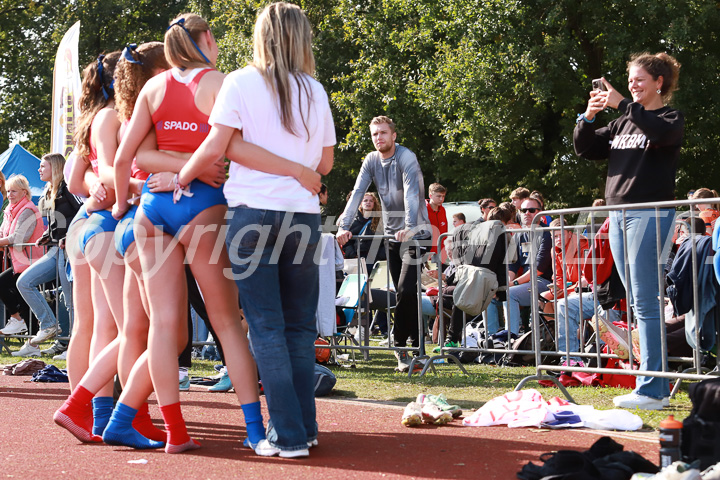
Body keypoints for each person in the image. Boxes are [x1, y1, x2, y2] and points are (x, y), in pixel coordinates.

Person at [177, 3, 334, 457]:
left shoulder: (240, 82)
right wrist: (296, 170)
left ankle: (287, 435)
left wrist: (183, 176)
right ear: (301, 37)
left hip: (252, 214)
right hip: (302, 215)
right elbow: (323, 164)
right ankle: (304, 428)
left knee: (265, 327)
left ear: (260, 35)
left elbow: (217, 145)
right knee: (300, 328)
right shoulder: (315, 90)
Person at [574, 51, 683, 410]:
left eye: (639, 80)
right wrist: (589, 116)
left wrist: (623, 103)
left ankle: (653, 388)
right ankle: (647, 384)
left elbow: (660, 133)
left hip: (649, 214)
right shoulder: (623, 123)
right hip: (618, 215)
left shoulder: (667, 117)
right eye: (630, 80)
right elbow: (585, 148)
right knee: (636, 302)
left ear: (658, 83)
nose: (632, 85)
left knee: (648, 303)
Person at [337, 115, 431, 373]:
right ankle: (416, 347)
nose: (379, 138)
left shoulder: (405, 157)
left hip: (416, 234)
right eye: (374, 134)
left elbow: (412, 193)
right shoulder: (371, 160)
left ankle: (402, 346)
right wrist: (344, 225)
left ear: (393, 135)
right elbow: (358, 191)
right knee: (403, 294)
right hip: (391, 235)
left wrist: (410, 227)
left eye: (383, 133)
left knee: (405, 289)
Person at [15, 154, 80, 358]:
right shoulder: (48, 189)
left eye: (42, 166)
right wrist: (47, 235)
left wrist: (70, 234)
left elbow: (83, 212)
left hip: (69, 250)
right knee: (24, 282)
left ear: (55, 167)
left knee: (70, 301)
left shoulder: (68, 187)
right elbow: (56, 221)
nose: (38, 170)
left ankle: (73, 347)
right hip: (55, 249)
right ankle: (49, 325)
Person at [0, 175, 44, 349]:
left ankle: (17, 320)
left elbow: (18, 237)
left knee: (3, 283)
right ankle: (32, 344)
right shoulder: (10, 209)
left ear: (24, 192)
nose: (9, 194)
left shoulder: (26, 210)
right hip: (19, 261)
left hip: (29, 261)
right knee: (24, 300)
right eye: (8, 191)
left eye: (14, 191)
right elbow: (4, 234)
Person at [504, 194, 553, 336]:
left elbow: (538, 270)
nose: (527, 214)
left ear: (540, 212)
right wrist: (507, 281)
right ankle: (496, 338)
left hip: (544, 282)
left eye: (532, 210)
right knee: (491, 293)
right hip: (525, 283)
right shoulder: (518, 234)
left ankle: (511, 337)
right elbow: (512, 265)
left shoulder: (546, 234)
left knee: (509, 293)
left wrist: (513, 283)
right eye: (523, 210)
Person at [341, 191, 385, 267]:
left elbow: (385, 241)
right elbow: (346, 243)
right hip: (357, 260)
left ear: (374, 204)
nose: (368, 202)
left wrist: (379, 256)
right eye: (365, 200)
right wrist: (353, 255)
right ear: (360, 203)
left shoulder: (381, 221)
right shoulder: (351, 221)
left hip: (376, 261)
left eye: (371, 201)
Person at [426, 183, 447, 257]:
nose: (441, 199)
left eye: (443, 196)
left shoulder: (443, 210)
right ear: (430, 195)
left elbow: (444, 231)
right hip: (427, 251)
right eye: (438, 196)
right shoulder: (423, 210)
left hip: (441, 250)